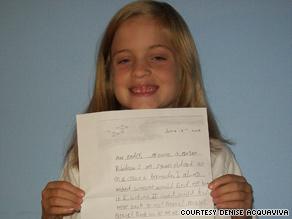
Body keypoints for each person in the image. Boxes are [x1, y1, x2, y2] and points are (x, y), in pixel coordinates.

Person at [41, 1, 255, 218]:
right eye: (124, 60)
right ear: (109, 75)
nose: (140, 70)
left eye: (158, 57)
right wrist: (51, 214)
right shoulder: (83, 159)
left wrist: (240, 213)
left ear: (183, 68)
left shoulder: (215, 157)